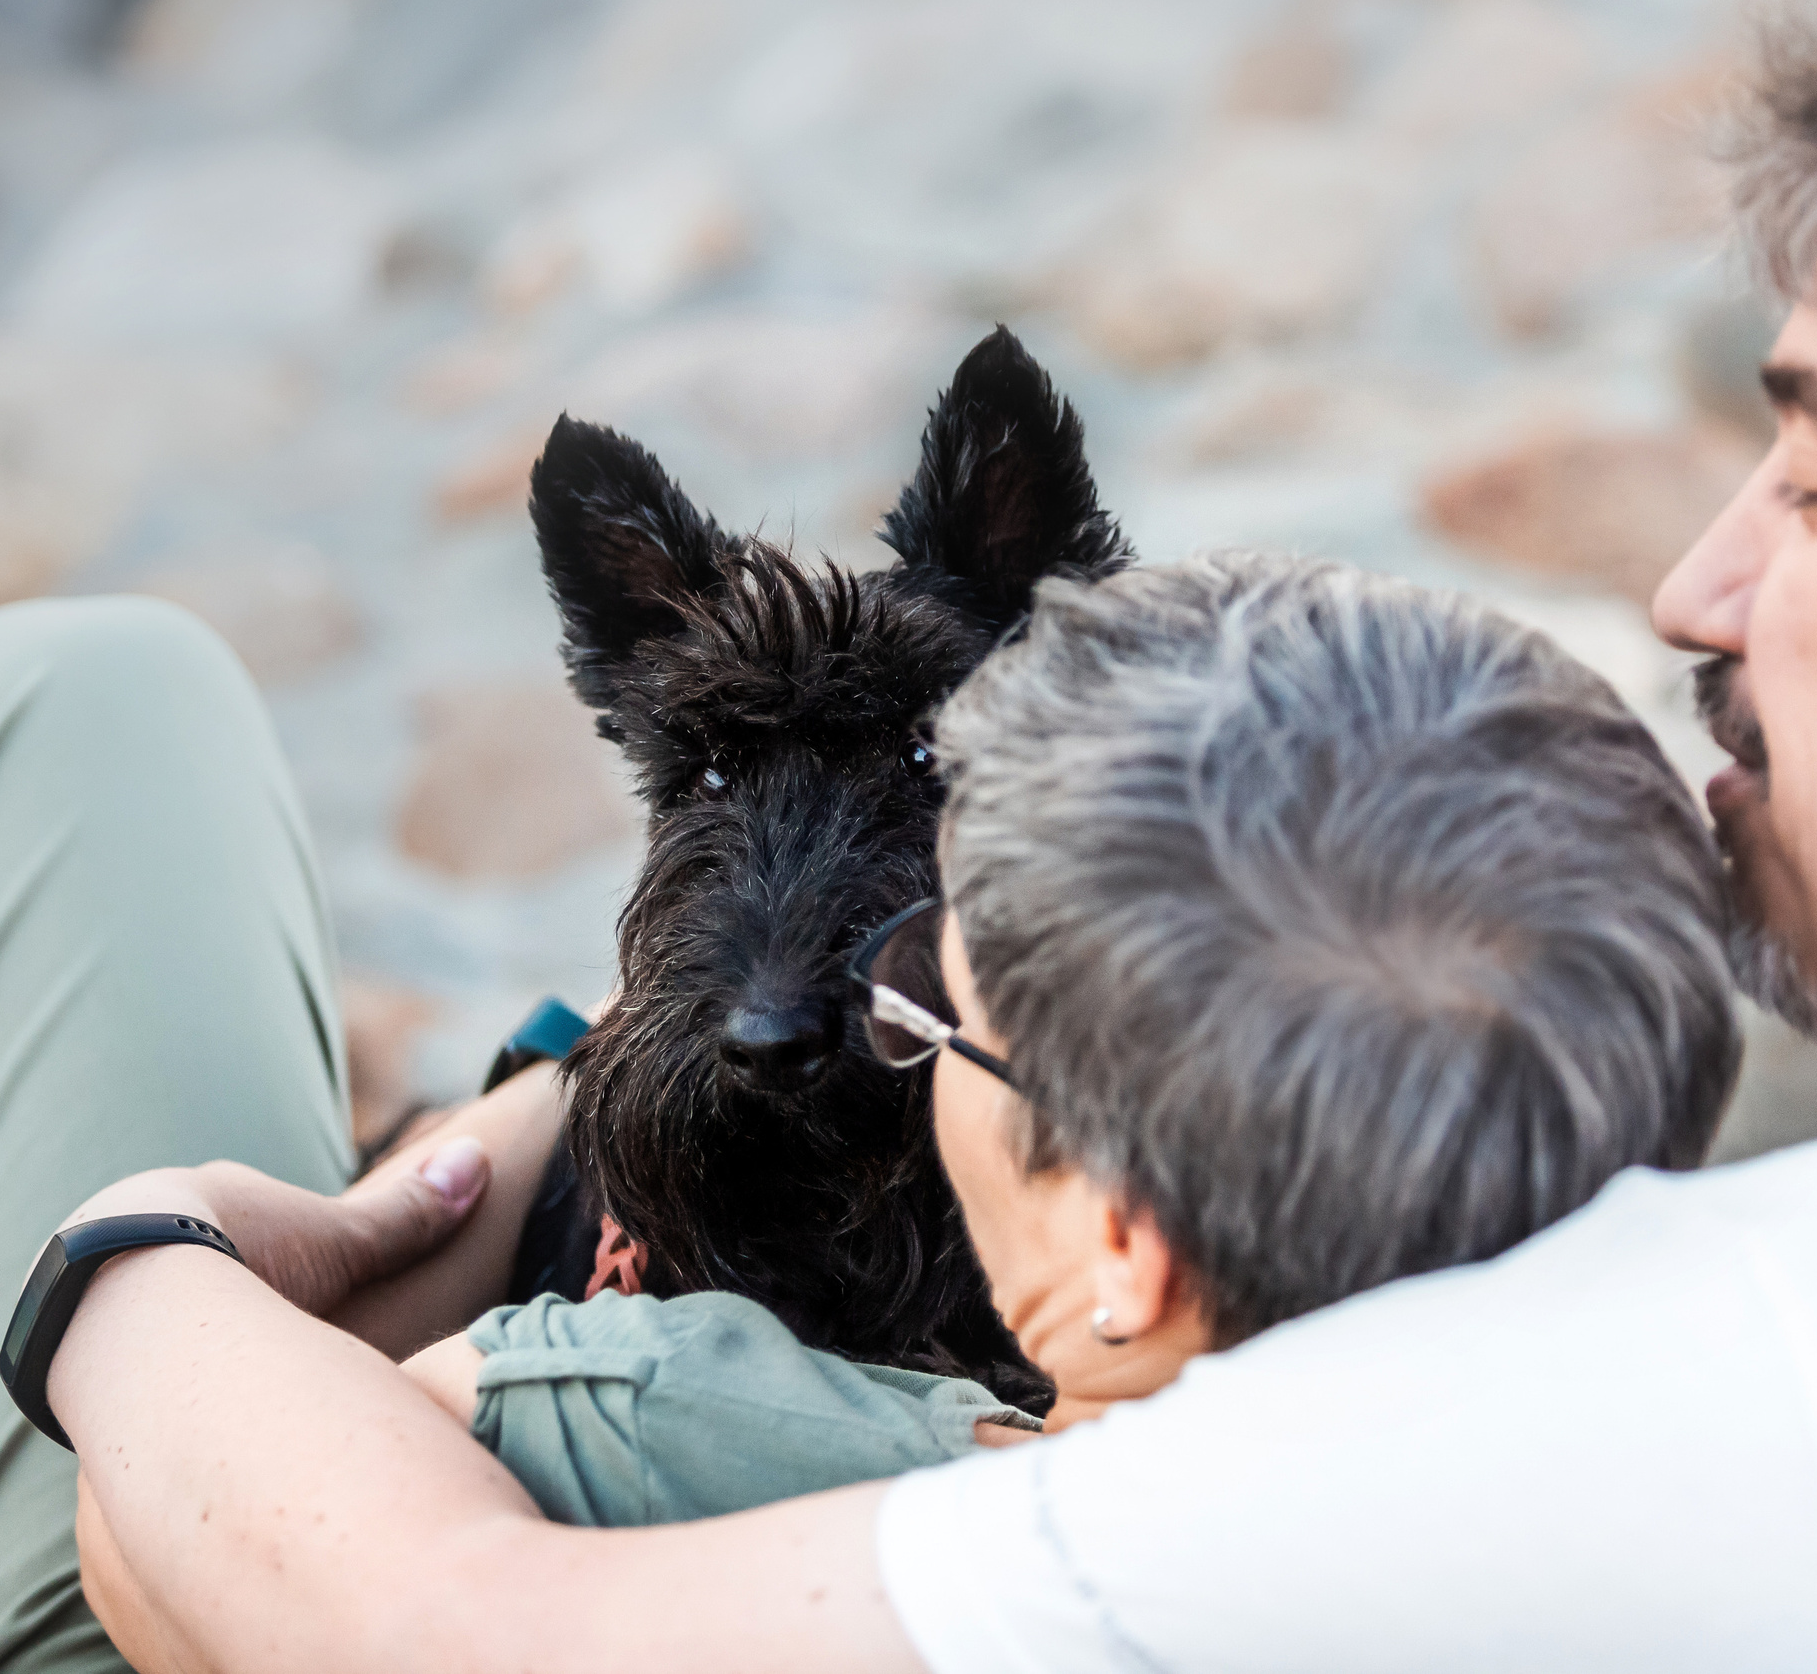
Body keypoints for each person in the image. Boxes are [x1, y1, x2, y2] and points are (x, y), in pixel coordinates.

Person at [0, 0, 1817, 1667]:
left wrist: (144, 1255)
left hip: (261, 1547)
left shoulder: (1712, 1386)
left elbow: (376, 1601)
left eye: (1813, 480)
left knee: (60, 701)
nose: (1691, 583)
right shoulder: (1791, 1256)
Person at [388, 551, 1739, 1529]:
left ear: (1125, 1244)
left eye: (937, 1017)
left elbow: (356, 1434)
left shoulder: (638, 1411)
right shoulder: (1621, 1442)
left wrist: (468, 1135)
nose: (882, 1015)